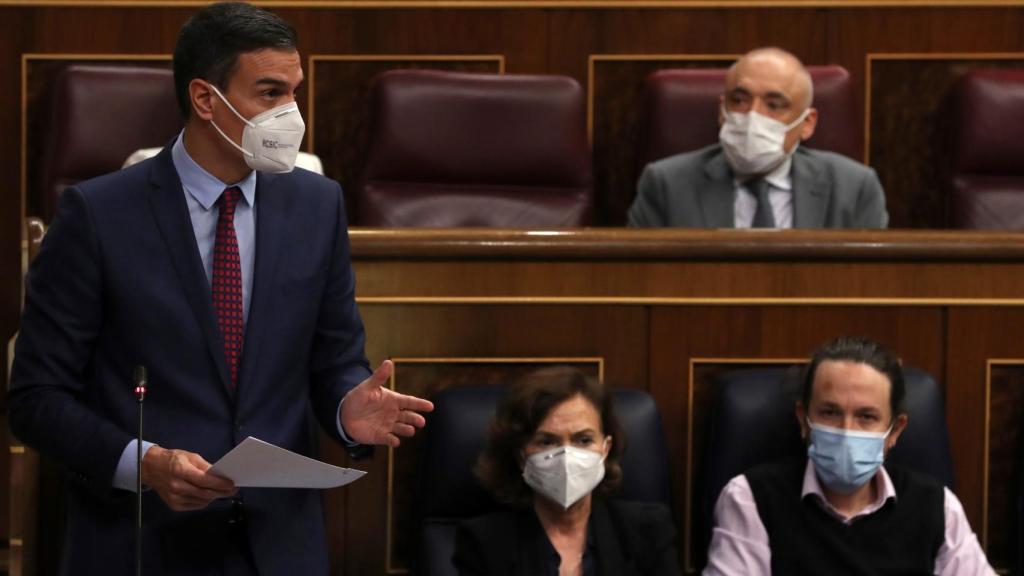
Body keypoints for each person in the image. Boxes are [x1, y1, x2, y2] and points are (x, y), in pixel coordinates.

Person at [8, 3, 433, 575]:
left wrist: (344, 408)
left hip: (278, 546)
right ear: (206, 99)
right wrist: (146, 464)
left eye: (294, 92)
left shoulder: (318, 205)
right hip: (142, 542)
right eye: (269, 93)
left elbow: (334, 358)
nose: (291, 114)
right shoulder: (97, 215)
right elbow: (36, 400)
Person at [704, 336, 995, 575]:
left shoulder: (937, 506)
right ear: (804, 420)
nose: (846, 431)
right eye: (830, 413)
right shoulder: (751, 498)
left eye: (866, 416)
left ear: (895, 430)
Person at [453, 366, 681, 576]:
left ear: (605, 449)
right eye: (546, 441)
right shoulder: (484, 542)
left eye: (583, 440)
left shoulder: (647, 531)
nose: (566, 456)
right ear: (521, 456)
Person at [628, 47, 888, 229]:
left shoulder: (854, 189)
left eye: (774, 105)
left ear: (807, 124)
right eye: (739, 100)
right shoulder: (666, 185)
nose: (752, 115)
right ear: (722, 111)